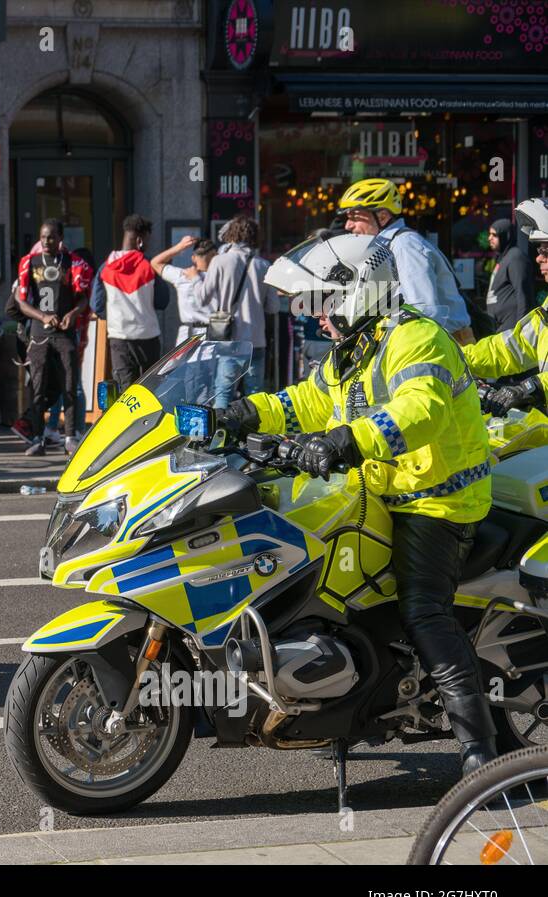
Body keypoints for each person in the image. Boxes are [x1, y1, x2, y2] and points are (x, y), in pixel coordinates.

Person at [220, 232, 496, 776]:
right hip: (382, 488)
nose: (317, 318)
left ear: (358, 295)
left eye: (324, 304)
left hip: (436, 499)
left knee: (424, 611)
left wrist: (346, 442)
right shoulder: (358, 347)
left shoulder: (417, 338)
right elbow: (309, 399)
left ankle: (479, 749)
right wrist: (244, 414)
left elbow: (422, 409)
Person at [338, 177, 473, 343]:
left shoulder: (405, 246)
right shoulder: (388, 246)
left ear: (382, 216)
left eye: (355, 217)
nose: (348, 225)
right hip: (432, 341)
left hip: (444, 344)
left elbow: (424, 311)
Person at [464, 198, 548, 417]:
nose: (539, 257)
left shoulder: (515, 259)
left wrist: (530, 387)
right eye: (539, 249)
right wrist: (459, 357)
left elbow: (523, 295)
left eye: (546, 250)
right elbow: (513, 347)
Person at [15, 219, 92, 457]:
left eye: (51, 237)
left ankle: (70, 437)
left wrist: (73, 313)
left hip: (64, 333)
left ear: (60, 238)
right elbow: (21, 300)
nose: (46, 241)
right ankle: (38, 438)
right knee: (38, 387)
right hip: (39, 334)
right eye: (43, 237)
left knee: (69, 385)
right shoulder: (30, 262)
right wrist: (42, 316)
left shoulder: (73, 263)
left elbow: (84, 298)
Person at [195, 215, 277, 407]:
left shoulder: (219, 261)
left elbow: (202, 298)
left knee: (223, 393)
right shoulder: (264, 266)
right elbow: (272, 307)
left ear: (231, 235)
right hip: (256, 340)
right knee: (255, 397)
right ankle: (253, 435)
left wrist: (194, 279)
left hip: (229, 340)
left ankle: (220, 434)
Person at [100, 214, 162, 398]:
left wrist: (113, 316)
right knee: (151, 390)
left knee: (125, 391)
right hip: (147, 336)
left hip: (119, 336)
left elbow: (96, 302)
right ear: (140, 241)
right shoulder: (149, 266)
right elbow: (162, 300)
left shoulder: (106, 268)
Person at [150, 236, 217, 345]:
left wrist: (180, 246)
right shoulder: (221, 278)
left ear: (193, 258)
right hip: (213, 334)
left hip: (187, 335)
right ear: (215, 257)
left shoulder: (182, 275)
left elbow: (155, 262)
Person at [486, 218, 536, 333]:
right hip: (501, 328)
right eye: (489, 234)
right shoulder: (503, 258)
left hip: (513, 329)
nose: (489, 238)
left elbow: (523, 294)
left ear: (505, 236)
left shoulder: (516, 257)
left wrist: (521, 329)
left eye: (494, 235)